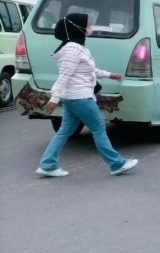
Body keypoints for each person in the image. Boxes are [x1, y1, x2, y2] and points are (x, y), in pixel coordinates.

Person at [36, 13, 138, 178]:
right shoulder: (73, 49)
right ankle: (117, 164)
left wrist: (109, 74)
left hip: (73, 97)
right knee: (98, 128)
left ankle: (47, 165)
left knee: (64, 131)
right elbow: (65, 75)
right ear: (77, 28)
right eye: (87, 25)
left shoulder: (76, 47)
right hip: (80, 97)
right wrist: (54, 97)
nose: (90, 27)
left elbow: (87, 71)